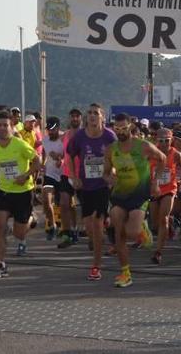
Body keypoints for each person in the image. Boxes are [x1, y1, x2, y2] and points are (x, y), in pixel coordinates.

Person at [103, 113, 165, 287]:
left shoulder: (143, 146)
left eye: (124, 128)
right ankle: (125, 273)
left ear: (130, 126)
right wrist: (110, 179)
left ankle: (143, 229)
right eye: (117, 128)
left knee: (131, 232)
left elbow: (162, 159)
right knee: (118, 232)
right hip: (119, 195)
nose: (121, 131)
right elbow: (105, 173)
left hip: (139, 194)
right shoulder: (111, 149)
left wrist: (156, 181)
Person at [0, 112, 41, 278]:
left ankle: (31, 219)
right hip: (4, 193)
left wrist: (26, 175)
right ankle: (1, 265)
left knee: (18, 233)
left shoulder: (20, 144)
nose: (2, 128)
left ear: (11, 127)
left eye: (5, 125)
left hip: (23, 192)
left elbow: (37, 161)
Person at [66, 103, 117, 281]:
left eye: (96, 113)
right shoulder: (79, 136)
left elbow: (117, 157)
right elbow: (70, 156)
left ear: (102, 117)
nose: (92, 116)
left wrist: (112, 174)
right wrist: (73, 176)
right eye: (90, 113)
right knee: (89, 227)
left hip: (102, 186)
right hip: (85, 186)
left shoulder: (110, 136)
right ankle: (108, 227)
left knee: (96, 224)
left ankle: (96, 266)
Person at [149, 127, 181, 265]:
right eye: (161, 141)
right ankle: (171, 223)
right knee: (155, 223)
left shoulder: (176, 154)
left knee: (163, 218)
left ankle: (158, 252)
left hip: (169, 189)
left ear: (172, 141)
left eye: (167, 141)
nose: (164, 143)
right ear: (156, 140)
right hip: (154, 189)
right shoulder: (151, 153)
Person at [56, 108, 83, 249]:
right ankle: (68, 234)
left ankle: (91, 234)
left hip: (82, 175)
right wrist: (59, 158)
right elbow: (63, 153)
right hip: (67, 174)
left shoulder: (86, 134)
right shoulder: (65, 135)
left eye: (77, 116)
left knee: (87, 207)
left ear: (81, 119)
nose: (74, 119)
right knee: (64, 203)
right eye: (72, 116)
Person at [41, 117, 65, 242]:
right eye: (48, 129)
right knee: (45, 199)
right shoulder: (45, 140)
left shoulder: (64, 139)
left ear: (58, 128)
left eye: (52, 129)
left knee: (62, 204)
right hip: (49, 174)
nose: (50, 132)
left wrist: (61, 159)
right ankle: (52, 225)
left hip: (62, 175)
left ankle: (66, 228)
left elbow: (69, 155)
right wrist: (42, 164)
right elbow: (44, 153)